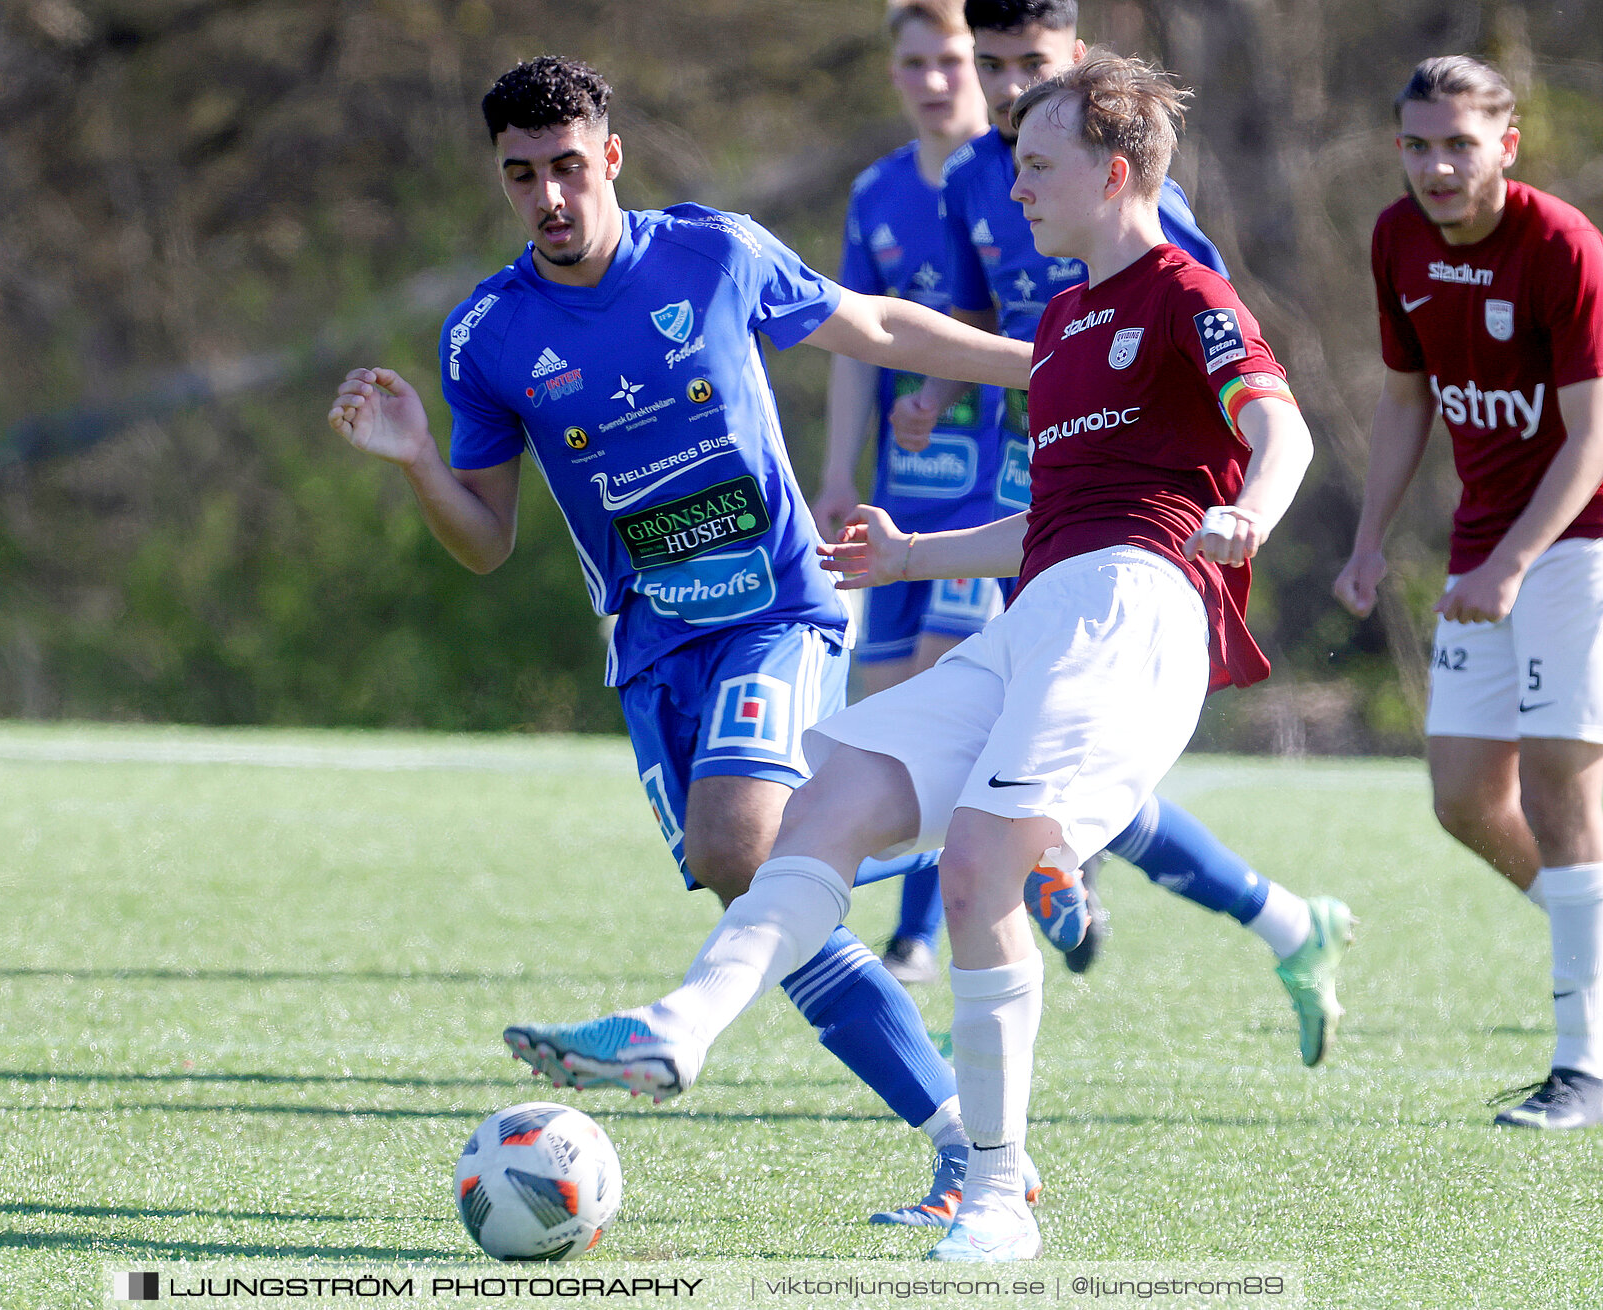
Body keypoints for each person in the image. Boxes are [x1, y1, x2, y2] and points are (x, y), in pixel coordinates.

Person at [508, 53, 1317, 1261]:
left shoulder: (1183, 288)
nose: (1016, 190)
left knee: (985, 861)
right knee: (826, 806)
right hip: (1047, 601)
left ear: (1111, 170)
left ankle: (995, 1192)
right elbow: (1052, 520)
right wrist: (912, 553)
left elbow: (1281, 425)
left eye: (1035, 167)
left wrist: (1252, 507)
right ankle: (678, 1026)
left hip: (1139, 607)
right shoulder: (1065, 318)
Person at [330, 56, 1046, 1222]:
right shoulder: (489, 336)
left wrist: (1037, 360)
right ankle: (968, 1144)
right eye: (523, 177)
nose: (550, 197)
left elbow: (868, 321)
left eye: (568, 166)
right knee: (756, 886)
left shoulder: (713, 252)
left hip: (778, 607)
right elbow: (485, 540)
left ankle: (955, 860)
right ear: (502, 181)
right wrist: (416, 459)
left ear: (610, 156)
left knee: (738, 837)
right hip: (655, 651)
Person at [890, 0, 1352, 1058]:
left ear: (1078, 68)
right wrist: (921, 381)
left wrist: (1242, 500)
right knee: (1001, 737)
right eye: (990, 64)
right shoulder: (980, 173)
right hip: (1038, 469)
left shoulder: (1141, 206)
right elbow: (975, 324)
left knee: (1021, 758)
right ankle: (1272, 914)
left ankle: (996, 890)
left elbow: (1210, 346)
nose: (1007, 89)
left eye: (1031, 66)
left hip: (1133, 503)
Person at [1334, 56, 1603, 1131]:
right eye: (1417, 144)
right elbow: (1407, 402)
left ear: (1508, 143)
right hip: (1482, 548)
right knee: (1460, 796)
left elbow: (1592, 440)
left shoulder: (1562, 246)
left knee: (1557, 786)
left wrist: (1513, 563)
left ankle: (1583, 1063)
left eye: (1458, 143)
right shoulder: (1397, 238)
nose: (1437, 166)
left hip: (1577, 538)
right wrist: (1367, 540)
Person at [813, 0, 1017, 986]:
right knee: (885, 712)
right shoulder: (875, 194)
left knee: (948, 695)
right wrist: (838, 472)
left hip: (994, 493)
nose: (937, 80)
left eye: (953, 60)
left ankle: (919, 933)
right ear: (892, 72)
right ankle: (1053, 864)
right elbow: (856, 344)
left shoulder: (1024, 174)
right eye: (917, 63)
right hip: (898, 496)